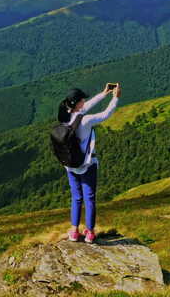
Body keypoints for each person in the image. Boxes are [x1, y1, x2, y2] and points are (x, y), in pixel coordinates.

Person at [57, 83, 121, 243]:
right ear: (78, 103)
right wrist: (115, 98)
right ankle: (90, 233)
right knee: (89, 198)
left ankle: (74, 231)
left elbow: (85, 108)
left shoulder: (65, 116)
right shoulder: (86, 120)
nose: (85, 101)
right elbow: (106, 114)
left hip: (70, 165)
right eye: (82, 100)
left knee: (76, 198)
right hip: (87, 165)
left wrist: (104, 93)